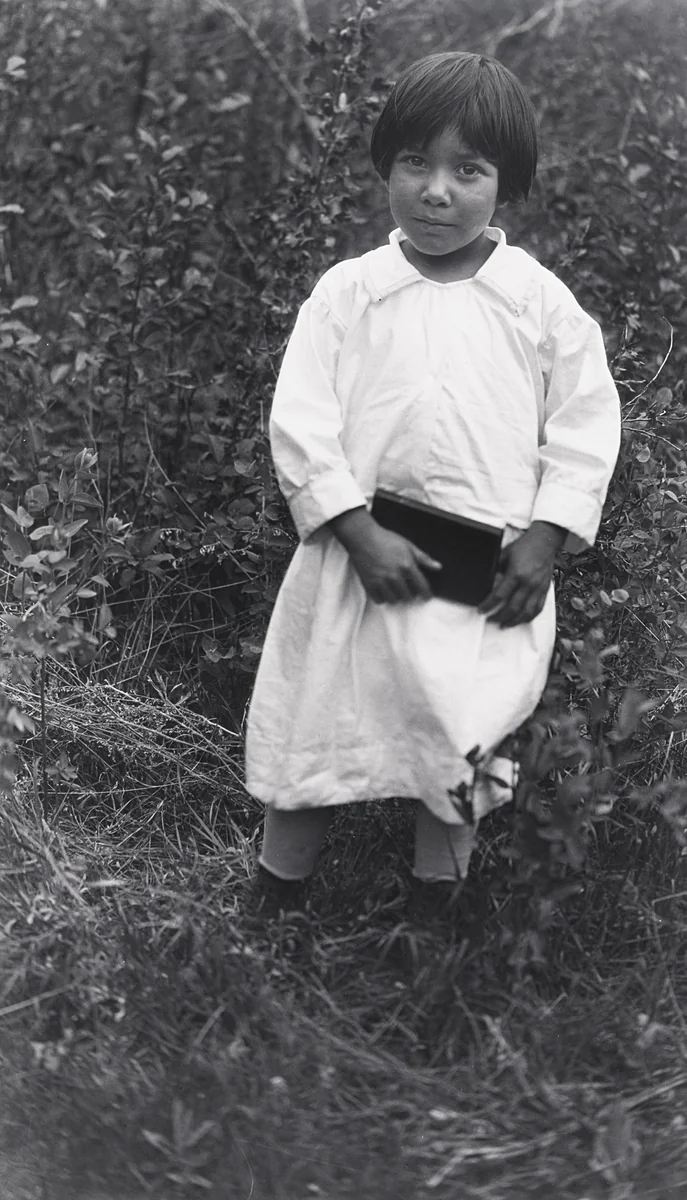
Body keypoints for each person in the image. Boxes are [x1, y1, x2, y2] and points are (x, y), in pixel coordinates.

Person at [244, 51, 621, 914]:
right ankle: (273, 906)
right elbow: (300, 421)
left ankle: (432, 924)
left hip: (482, 578)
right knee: (316, 725)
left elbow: (584, 427)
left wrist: (544, 538)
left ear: (507, 184)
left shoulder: (539, 305)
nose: (436, 191)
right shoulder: (349, 294)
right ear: (385, 167)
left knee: (456, 738)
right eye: (415, 162)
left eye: (467, 169)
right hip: (358, 564)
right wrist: (354, 529)